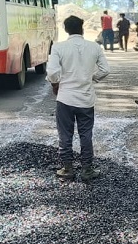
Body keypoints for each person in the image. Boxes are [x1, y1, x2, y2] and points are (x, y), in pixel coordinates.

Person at [46, 15, 110, 181]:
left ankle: (67, 168)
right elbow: (105, 70)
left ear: (66, 30)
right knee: (85, 134)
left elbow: (52, 72)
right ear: (82, 28)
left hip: (65, 98)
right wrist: (92, 78)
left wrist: (55, 84)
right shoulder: (94, 47)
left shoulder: (59, 47)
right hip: (86, 99)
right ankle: (87, 169)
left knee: (65, 135)